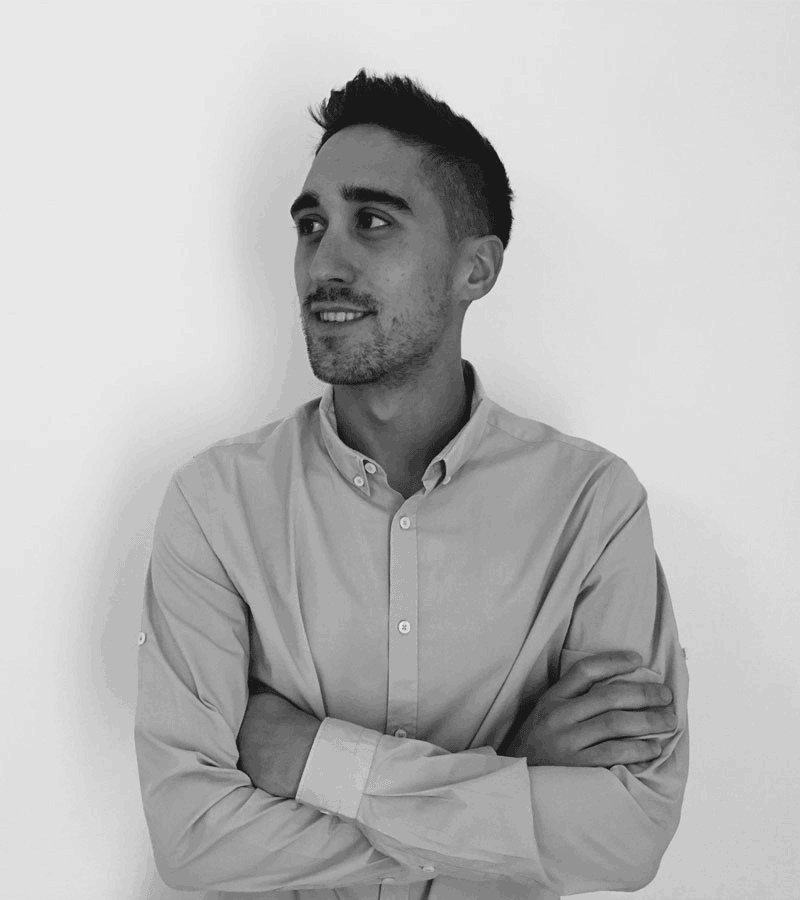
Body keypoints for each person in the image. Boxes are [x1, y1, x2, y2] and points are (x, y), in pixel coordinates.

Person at [135, 69, 689, 900]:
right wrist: (506, 778)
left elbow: (627, 838)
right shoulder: (215, 506)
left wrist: (315, 759)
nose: (325, 260)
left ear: (477, 269)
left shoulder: (593, 507)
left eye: (373, 221)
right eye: (311, 225)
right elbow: (193, 840)